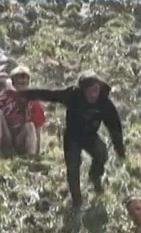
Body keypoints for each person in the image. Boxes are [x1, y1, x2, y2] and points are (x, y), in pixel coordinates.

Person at [18, 72, 126, 209]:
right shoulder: (72, 95)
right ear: (82, 90)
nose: (93, 95)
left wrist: (120, 151)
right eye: (90, 91)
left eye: (96, 91)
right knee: (73, 168)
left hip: (89, 135)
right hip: (72, 136)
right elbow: (49, 94)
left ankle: (95, 175)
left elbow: (115, 128)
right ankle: (77, 202)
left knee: (102, 152)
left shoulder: (104, 102)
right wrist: (23, 94)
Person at [0, 67, 44, 156]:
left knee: (29, 125)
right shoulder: (1, 98)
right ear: (13, 81)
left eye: (24, 80)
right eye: (19, 80)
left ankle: (31, 155)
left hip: (20, 139)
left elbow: (38, 129)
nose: (21, 83)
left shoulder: (33, 102)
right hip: (5, 135)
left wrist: (37, 151)